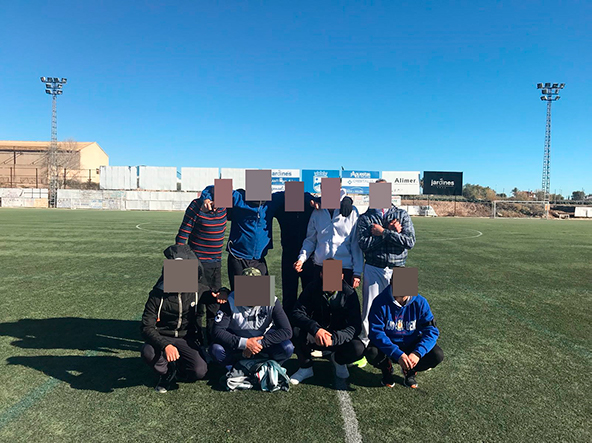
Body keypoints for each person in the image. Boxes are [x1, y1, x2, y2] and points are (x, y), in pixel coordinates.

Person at [200, 186, 317, 290]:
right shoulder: (238, 197)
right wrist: (206, 198)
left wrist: (316, 200)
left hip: (260, 259)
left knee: (261, 302)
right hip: (238, 257)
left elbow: (295, 191)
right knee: (241, 299)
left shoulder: (272, 201)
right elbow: (212, 188)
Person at [140, 245, 208, 393]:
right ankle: (165, 373)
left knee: (199, 371)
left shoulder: (199, 289)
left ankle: (178, 366)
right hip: (162, 336)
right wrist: (165, 345)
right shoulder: (157, 294)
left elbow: (216, 297)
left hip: (186, 338)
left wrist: (222, 293)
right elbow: (146, 327)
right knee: (148, 352)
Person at [357, 179, 416, 347]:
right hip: (374, 266)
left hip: (401, 268)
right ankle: (366, 344)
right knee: (369, 309)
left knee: (405, 309)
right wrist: (390, 233)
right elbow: (364, 245)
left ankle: (406, 344)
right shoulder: (365, 218)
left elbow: (410, 242)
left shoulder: (402, 215)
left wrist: (383, 232)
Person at [289, 266, 365, 384]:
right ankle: (306, 367)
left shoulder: (349, 293)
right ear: (321, 275)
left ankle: (338, 360)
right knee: (296, 330)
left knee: (358, 348)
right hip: (316, 336)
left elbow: (355, 327)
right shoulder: (312, 288)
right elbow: (296, 313)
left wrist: (334, 338)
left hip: (338, 339)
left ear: (341, 276)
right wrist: (315, 329)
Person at [210, 267, 294, 368]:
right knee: (216, 350)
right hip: (237, 340)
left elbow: (286, 331)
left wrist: (258, 344)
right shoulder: (230, 301)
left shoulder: (272, 300)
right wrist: (244, 343)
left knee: (287, 347)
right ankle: (232, 368)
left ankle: (269, 365)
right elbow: (217, 331)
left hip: (262, 341)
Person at [365, 285, 443, 388]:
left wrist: (417, 353)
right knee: (371, 352)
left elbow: (431, 331)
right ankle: (386, 368)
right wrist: (396, 353)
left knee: (437, 355)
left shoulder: (420, 302)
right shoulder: (379, 301)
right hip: (389, 346)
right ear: (392, 282)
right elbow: (376, 333)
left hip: (411, 344)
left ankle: (410, 369)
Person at [175, 196, 228, 344]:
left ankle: (214, 343)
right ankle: (194, 342)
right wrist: (179, 263)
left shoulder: (227, 207)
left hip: (215, 265)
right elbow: (182, 234)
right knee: (194, 307)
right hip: (195, 264)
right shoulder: (196, 205)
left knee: (215, 306)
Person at [294, 189, 363, 289]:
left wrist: (357, 272)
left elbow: (355, 243)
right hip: (321, 266)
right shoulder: (317, 212)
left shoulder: (351, 212)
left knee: (342, 302)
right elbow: (310, 240)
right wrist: (301, 259)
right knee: (320, 302)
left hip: (344, 267)